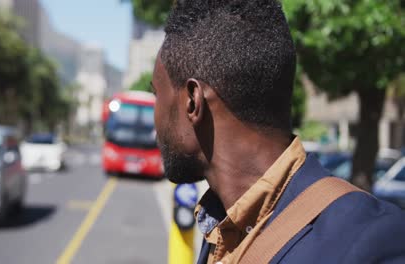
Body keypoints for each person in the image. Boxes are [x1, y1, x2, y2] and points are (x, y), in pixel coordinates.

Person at [150, 0, 405, 263]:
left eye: (157, 94)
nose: (154, 122)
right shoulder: (220, 224)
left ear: (193, 101)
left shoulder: (370, 241)